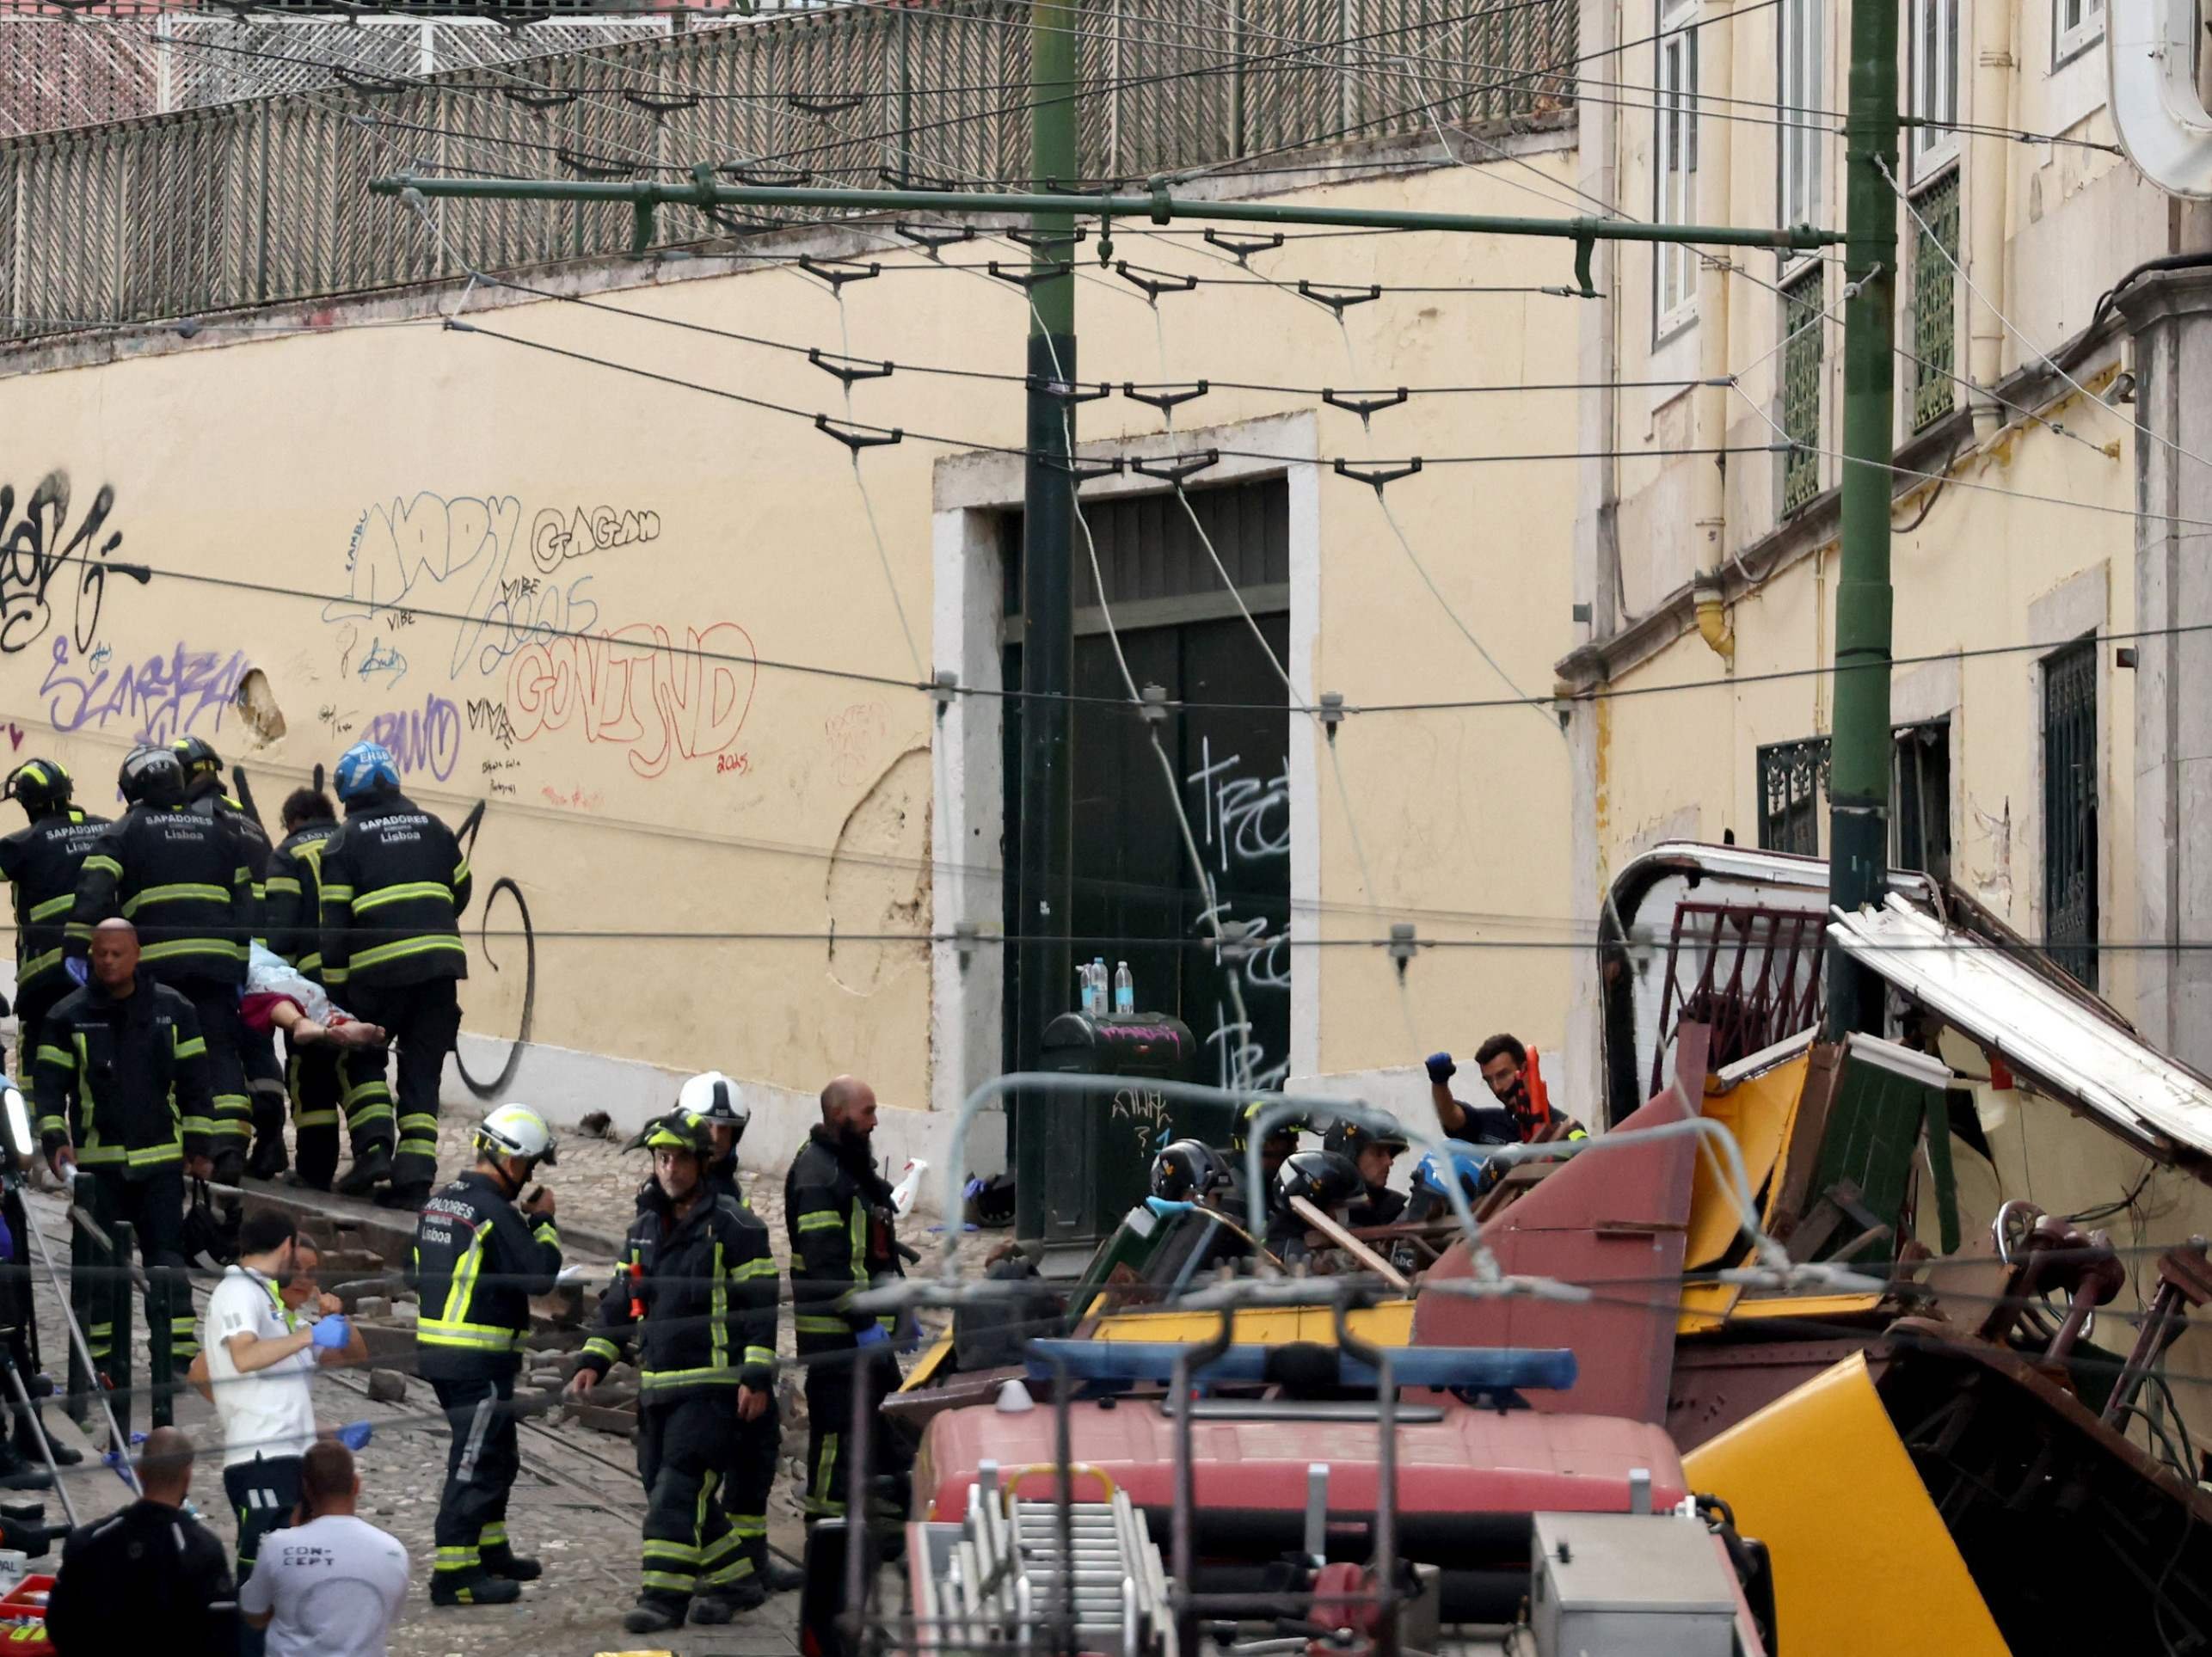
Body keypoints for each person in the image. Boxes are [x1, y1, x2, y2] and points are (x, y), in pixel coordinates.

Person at [570, 1114, 779, 1633]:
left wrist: (756, 1377)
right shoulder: (641, 1231)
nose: (669, 1167)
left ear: (702, 1162)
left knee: (678, 1490)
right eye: (661, 1157)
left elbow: (759, 1307)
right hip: (657, 1389)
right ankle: (736, 1580)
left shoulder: (735, 1227)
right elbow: (618, 1304)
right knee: (665, 1486)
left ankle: (662, 1599)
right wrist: (594, 1360)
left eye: (680, 1157)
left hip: (712, 1389)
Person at [35, 917, 212, 1428]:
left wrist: (201, 1144)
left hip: (159, 1163)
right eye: (99, 954)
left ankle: (177, 1356)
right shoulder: (67, 1016)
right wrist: (54, 1139)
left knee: (166, 1261)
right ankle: (100, 1363)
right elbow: (49, 1087)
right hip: (99, 1166)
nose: (107, 962)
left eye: (116, 953)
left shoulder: (173, 1012)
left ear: (137, 954)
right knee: (100, 1271)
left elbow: (197, 1081)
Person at [65, 744, 253, 1181]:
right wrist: (240, 965)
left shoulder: (125, 830)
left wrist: (76, 950)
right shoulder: (220, 832)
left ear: (133, 785)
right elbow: (246, 905)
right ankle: (226, 1146)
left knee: (157, 1052)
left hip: (157, 967)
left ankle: (160, 1141)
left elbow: (93, 892)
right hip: (216, 965)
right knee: (219, 1051)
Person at [410, 1103, 561, 1607]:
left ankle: (489, 1550)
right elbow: (540, 1275)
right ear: (514, 1162)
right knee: (474, 1460)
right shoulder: (494, 1210)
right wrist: (543, 1223)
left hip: (444, 1353)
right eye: (532, 1166)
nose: (530, 1177)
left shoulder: (439, 1203)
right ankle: (454, 1573)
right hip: (475, 1360)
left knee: (500, 1455)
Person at [318, 740, 471, 1209]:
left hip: (376, 976)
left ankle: (373, 1149)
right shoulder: (437, 829)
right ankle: (415, 1178)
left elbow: (333, 923)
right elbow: (460, 890)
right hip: (440, 972)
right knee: (422, 1071)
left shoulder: (344, 841)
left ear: (349, 796)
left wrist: (335, 993)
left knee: (359, 1057)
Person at [203, 1209, 362, 1656]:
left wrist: (327, 1433)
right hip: (259, 1460)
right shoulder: (237, 1291)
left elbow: (338, 1359)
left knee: (290, 1583)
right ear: (287, 1247)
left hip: (286, 1460)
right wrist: (310, 1335)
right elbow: (244, 1357)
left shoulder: (269, 1303)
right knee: (260, 1584)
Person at [0, 758, 98, 1470]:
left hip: (42, 974)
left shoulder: (25, 843)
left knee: (42, 1064)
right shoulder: (103, 828)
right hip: (103, 970)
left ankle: (41, 1147)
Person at [786, 1075, 911, 1527]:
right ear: (839, 1115)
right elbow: (825, 1265)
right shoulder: (817, 1174)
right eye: (867, 1112)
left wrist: (898, 1307)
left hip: (861, 1331)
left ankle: (875, 1512)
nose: (875, 1122)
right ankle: (825, 1524)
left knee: (881, 1421)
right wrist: (862, 1324)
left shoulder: (847, 1166)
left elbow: (870, 1249)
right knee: (836, 1428)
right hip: (835, 1335)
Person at [174, 737, 291, 1181]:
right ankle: (272, 1140)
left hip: (220, 954)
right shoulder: (249, 822)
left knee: (217, 1048)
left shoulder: (195, 821)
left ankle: (228, 1146)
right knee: (257, 1045)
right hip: (259, 953)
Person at [46, 1426, 237, 1657]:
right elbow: (223, 1638)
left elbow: (59, 1623)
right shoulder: (203, 1549)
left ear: (139, 1471)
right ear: (188, 1476)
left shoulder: (90, 1540)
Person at [262, 787, 369, 1193]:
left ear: (293, 821)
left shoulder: (288, 854)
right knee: (359, 1066)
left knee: (309, 1074)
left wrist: (277, 977)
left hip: (312, 981)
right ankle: (372, 1153)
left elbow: (283, 926)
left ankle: (314, 1170)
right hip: (361, 977)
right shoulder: (353, 839)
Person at [238, 1439, 410, 1657]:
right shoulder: (393, 1551)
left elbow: (254, 1614)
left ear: (306, 1489)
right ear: (356, 1485)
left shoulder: (277, 1546)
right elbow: (388, 1615)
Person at [1424, 1035, 1588, 1147]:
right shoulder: (1489, 1124)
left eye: (1502, 1075)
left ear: (1525, 1069)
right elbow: (1451, 1116)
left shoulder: (1566, 1128)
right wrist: (1440, 1082)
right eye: (1489, 1080)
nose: (1497, 1088)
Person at [677, 1071, 749, 1206]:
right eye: (707, 1126)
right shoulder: (673, 1186)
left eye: (724, 1128)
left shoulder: (730, 1186)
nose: (716, 1138)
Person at [1323, 1120, 1410, 1228]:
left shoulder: (1392, 1207)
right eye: (1379, 1153)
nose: (1389, 1162)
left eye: (1391, 1153)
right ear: (1348, 1155)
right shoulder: (1318, 1210)